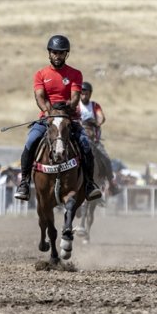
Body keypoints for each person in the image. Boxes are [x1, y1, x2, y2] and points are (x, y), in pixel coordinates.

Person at [14, 35, 101, 202]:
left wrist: (64, 110)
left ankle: (90, 184)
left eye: (61, 53)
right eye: (54, 52)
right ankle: (24, 183)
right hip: (47, 118)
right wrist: (48, 112)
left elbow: (75, 97)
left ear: (66, 54)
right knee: (31, 141)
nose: (57, 56)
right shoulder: (41, 74)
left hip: (68, 119)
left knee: (85, 144)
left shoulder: (75, 74)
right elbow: (40, 96)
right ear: (49, 53)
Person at [77, 81, 121, 196]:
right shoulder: (76, 106)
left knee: (106, 158)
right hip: (79, 139)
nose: (84, 95)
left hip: (94, 140)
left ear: (90, 94)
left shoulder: (95, 106)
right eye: (82, 93)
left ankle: (112, 183)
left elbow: (101, 117)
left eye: (86, 93)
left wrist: (97, 122)